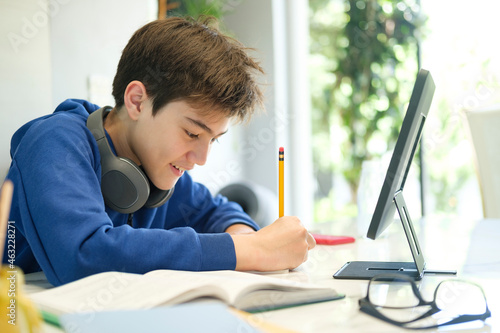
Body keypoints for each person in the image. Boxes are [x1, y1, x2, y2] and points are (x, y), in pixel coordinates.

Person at [2, 16, 315, 286]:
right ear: (137, 101)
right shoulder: (55, 141)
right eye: (192, 133)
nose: (201, 159)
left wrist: (249, 236)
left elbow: (217, 212)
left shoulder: (154, 167)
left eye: (213, 139)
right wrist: (252, 251)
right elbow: (85, 254)